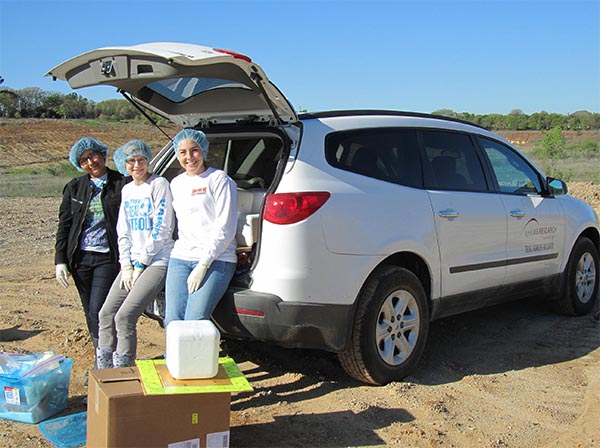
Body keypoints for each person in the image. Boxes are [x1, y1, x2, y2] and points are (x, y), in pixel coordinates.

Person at [96, 140, 174, 368]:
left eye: (141, 160)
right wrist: (127, 266)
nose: (136, 165)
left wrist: (141, 263)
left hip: (157, 261)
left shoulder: (159, 184)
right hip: (132, 264)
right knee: (106, 314)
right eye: (131, 161)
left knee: (125, 316)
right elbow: (123, 231)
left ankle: (123, 370)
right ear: (123, 164)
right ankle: (104, 371)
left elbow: (162, 228)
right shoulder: (128, 189)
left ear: (148, 160)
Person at [54, 137, 127, 364]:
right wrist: (60, 260)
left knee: (99, 309)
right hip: (80, 258)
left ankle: (104, 361)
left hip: (108, 257)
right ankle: (102, 355)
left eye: (93, 156)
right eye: (84, 159)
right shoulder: (75, 187)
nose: (90, 162)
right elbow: (65, 225)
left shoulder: (121, 183)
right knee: (89, 311)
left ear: (103, 155)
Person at [164, 129, 237, 328]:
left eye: (194, 150)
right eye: (183, 152)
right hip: (181, 257)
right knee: (172, 320)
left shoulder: (219, 179)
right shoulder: (176, 183)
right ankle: (174, 359)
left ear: (203, 150)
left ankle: (193, 359)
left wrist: (204, 263)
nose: (189, 157)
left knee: (194, 321)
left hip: (217, 258)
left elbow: (226, 227)